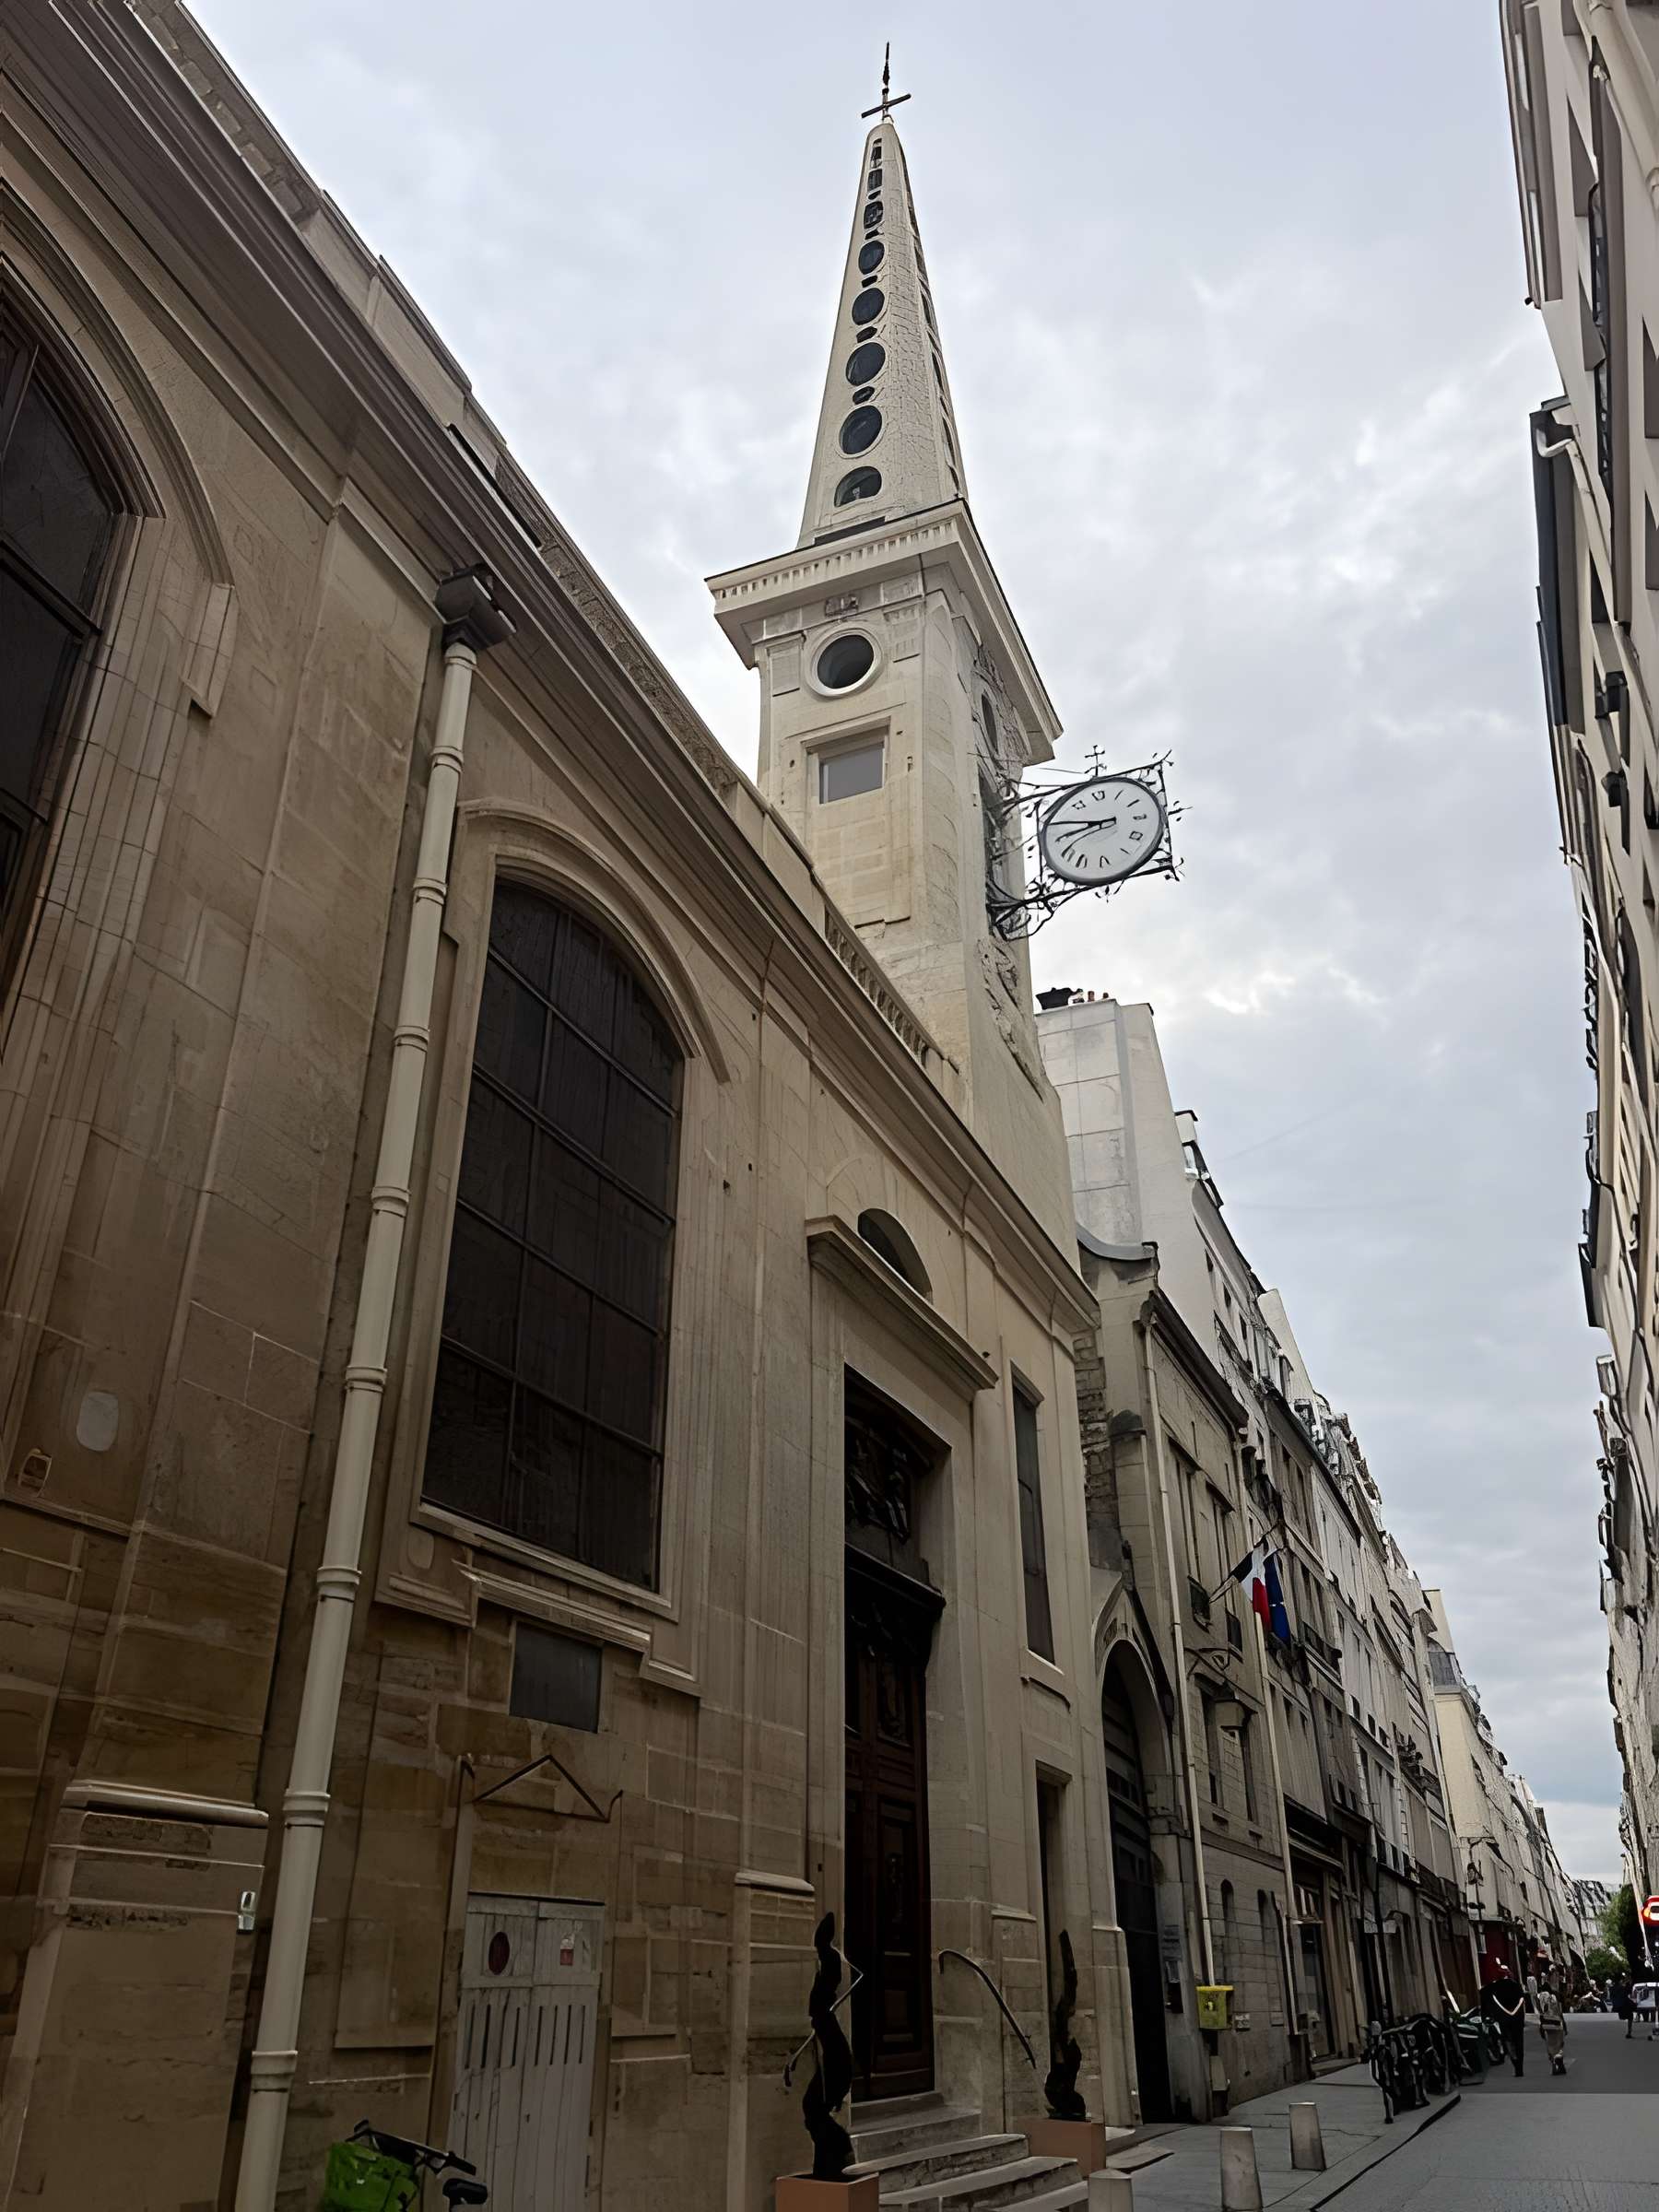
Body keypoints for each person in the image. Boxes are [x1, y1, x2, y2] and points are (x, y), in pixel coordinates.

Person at [1483, 1961, 1527, 2077]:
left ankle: (1515, 2063)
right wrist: (1516, 2012)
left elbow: (1484, 1994)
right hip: (1517, 2020)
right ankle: (1519, 2067)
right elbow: (1522, 1999)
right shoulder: (1515, 1985)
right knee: (1519, 2043)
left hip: (1504, 2020)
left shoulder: (1493, 1987)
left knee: (1508, 2041)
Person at [1537, 1976, 1567, 2075]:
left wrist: (1541, 2027)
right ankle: (1560, 2065)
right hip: (1557, 2023)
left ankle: (1554, 2065)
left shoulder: (1540, 1997)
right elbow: (1560, 2011)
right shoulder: (1555, 1996)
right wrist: (1565, 2025)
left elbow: (1541, 2013)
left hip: (1546, 2024)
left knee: (1550, 2046)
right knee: (1559, 2045)